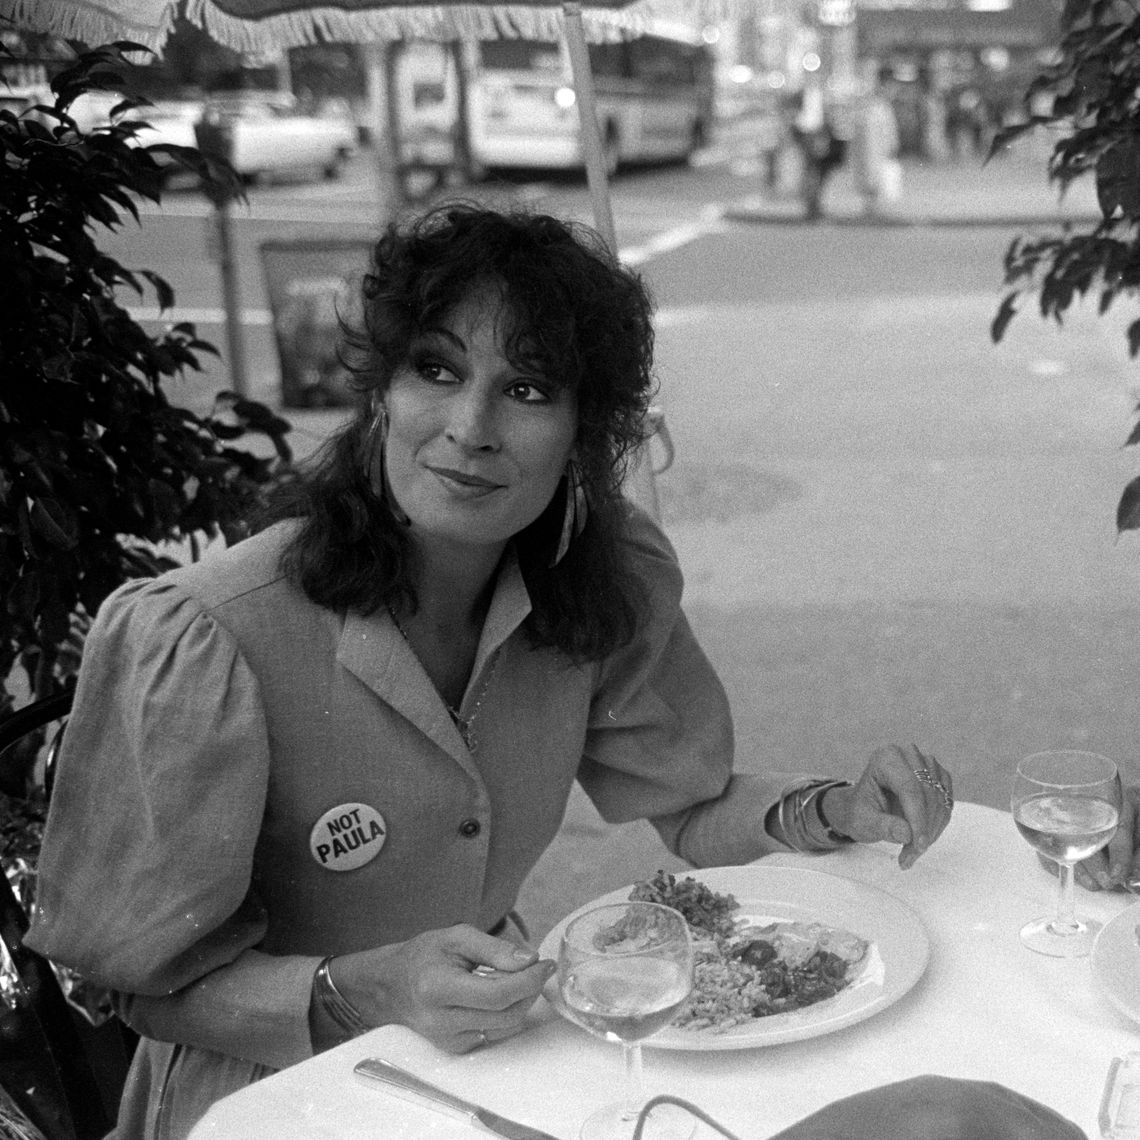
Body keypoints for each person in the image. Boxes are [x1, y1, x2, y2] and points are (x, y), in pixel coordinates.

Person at [25, 203, 1079, 1140]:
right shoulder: (209, 635)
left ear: (585, 430)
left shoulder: (596, 577)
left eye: (526, 388)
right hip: (265, 1095)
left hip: (502, 1054)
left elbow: (692, 803)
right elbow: (138, 984)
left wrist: (833, 809)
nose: (470, 431)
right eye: (436, 369)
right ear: (381, 391)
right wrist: (353, 992)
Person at [789, 77, 845, 221]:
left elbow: (826, 117)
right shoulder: (801, 95)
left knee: (819, 172)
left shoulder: (821, 95)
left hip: (819, 135)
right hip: (808, 135)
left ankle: (815, 204)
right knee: (811, 171)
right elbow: (793, 114)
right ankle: (811, 205)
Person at [849, 64, 902, 218]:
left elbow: (888, 129)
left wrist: (892, 143)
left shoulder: (880, 106)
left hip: (876, 149)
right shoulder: (875, 106)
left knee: (875, 177)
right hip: (871, 149)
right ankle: (870, 207)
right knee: (871, 177)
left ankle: (872, 207)